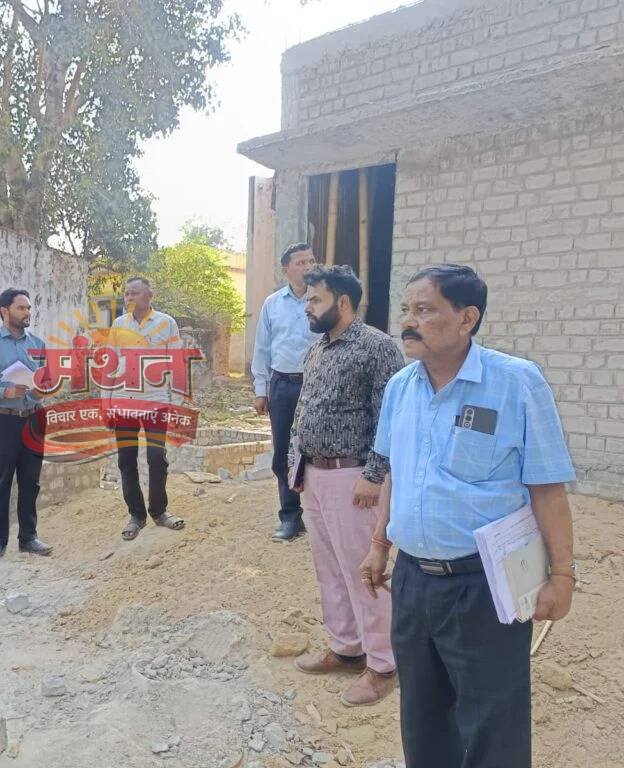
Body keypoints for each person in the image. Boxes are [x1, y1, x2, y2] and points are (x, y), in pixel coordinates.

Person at [361, 264, 576, 767]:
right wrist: (378, 545)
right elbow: (395, 472)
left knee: (493, 720)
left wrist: (562, 576)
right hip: (413, 581)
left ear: (467, 317)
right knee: (423, 714)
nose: (408, 321)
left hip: (485, 583)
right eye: (406, 310)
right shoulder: (400, 387)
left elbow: (546, 487)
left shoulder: (516, 383)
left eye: (424, 309)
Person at [289, 265, 405, 706]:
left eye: (315, 299)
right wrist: (297, 468)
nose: (307, 307)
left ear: (342, 302)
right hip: (316, 475)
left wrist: (374, 476)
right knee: (331, 570)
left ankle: (384, 663)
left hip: (353, 478)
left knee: (363, 573)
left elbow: (390, 419)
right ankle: (346, 647)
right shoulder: (317, 350)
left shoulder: (376, 347)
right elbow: (304, 411)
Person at [0, 288, 53, 566]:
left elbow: (46, 379)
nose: (28, 313)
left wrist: (43, 389)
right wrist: (4, 392)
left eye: (29, 308)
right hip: (4, 420)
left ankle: (28, 537)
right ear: (5, 310)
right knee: (2, 482)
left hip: (35, 418)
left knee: (31, 481)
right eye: (22, 308)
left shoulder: (38, 343)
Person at [251, 243, 320, 541]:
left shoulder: (323, 299)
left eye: (311, 261)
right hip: (282, 385)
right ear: (286, 270)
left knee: (319, 451)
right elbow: (262, 348)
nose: (308, 266)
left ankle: (321, 515)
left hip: (318, 384)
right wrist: (260, 389)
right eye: (301, 262)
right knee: (283, 453)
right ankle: (291, 517)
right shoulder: (273, 303)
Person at [110, 277, 186, 541]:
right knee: (126, 460)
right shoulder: (118, 325)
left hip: (155, 402)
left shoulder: (167, 323)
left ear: (149, 296)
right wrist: (106, 403)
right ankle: (136, 515)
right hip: (123, 403)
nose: (129, 298)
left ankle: (159, 511)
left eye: (134, 293)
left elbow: (177, 365)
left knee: (156, 458)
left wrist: (177, 404)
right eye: (126, 293)